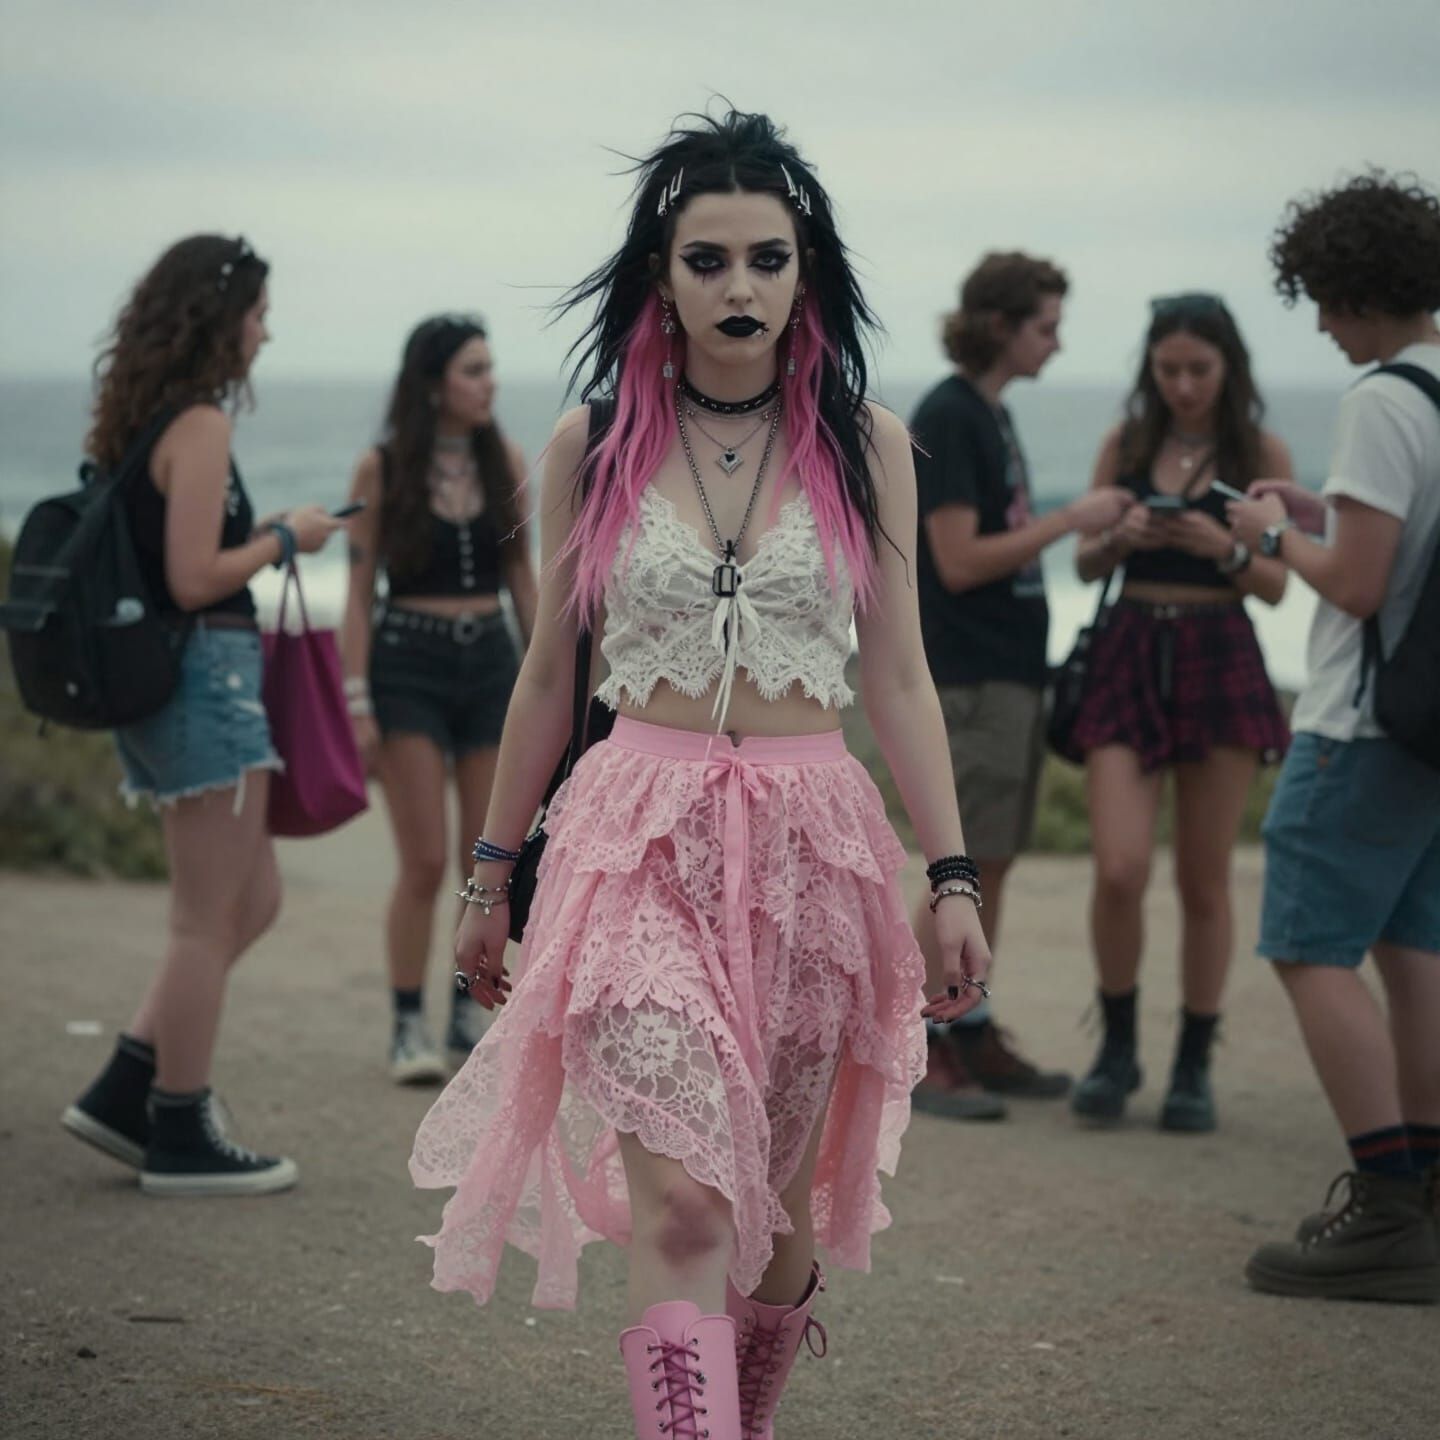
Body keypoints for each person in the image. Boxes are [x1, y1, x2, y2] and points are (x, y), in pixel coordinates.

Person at [408, 110, 992, 1440]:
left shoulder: (868, 446)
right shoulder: (590, 446)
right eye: (709, 259)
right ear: (662, 276)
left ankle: (747, 1413)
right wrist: (491, 874)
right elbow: (552, 674)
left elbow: (897, 677)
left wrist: (951, 874)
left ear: (805, 275)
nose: (740, 287)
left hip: (813, 846)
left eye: (767, 260)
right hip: (632, 836)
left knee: (768, 1224)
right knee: (685, 1205)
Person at [60, 235, 342, 1196]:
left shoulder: (148, 421)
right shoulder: (200, 424)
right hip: (203, 682)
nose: (266, 330)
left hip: (192, 682)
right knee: (203, 919)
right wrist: (285, 536)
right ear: (220, 320)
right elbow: (193, 578)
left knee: (250, 901)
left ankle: (126, 1086)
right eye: (258, 313)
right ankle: (180, 1127)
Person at [1227, 171, 1440, 1303]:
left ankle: (1387, 1207)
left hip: (1360, 725)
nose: (1317, 320)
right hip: (1430, 732)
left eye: (1319, 294)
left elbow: (1358, 588)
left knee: (1312, 950)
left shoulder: (1382, 399)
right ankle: (1429, 1190)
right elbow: (1401, 552)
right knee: (1415, 952)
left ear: (1357, 286)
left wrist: (1272, 531)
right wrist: (1320, 512)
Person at [909, 252, 1132, 1121]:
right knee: (955, 865)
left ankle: (971, 1025)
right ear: (1002, 325)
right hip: (968, 674)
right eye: (1047, 324)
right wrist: (1068, 522)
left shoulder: (985, 414)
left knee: (987, 860)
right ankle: (922, 1042)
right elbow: (959, 562)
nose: (1058, 342)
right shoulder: (952, 415)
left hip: (1003, 674)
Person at [1066, 294, 1291, 1132]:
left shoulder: (1259, 450)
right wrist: (1121, 536)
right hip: (1129, 645)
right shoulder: (1124, 444)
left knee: (1204, 879)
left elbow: (1277, 582)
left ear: (1228, 367)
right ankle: (1116, 1047)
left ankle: (1193, 1063)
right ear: (1150, 370)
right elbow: (1087, 566)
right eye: (1169, 370)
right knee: (1119, 867)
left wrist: (1222, 548)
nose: (1185, 386)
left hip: (1219, 652)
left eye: (1199, 369)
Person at [340, 315, 537, 1084]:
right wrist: (356, 701)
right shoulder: (380, 468)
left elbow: (525, 582)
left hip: (491, 664)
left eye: (490, 369)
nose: (489, 384)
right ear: (433, 383)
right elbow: (357, 596)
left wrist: (548, 682)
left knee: (481, 861)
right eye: (473, 370)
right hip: (406, 667)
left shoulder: (506, 460)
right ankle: (405, 1023)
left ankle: (465, 1007)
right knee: (423, 861)